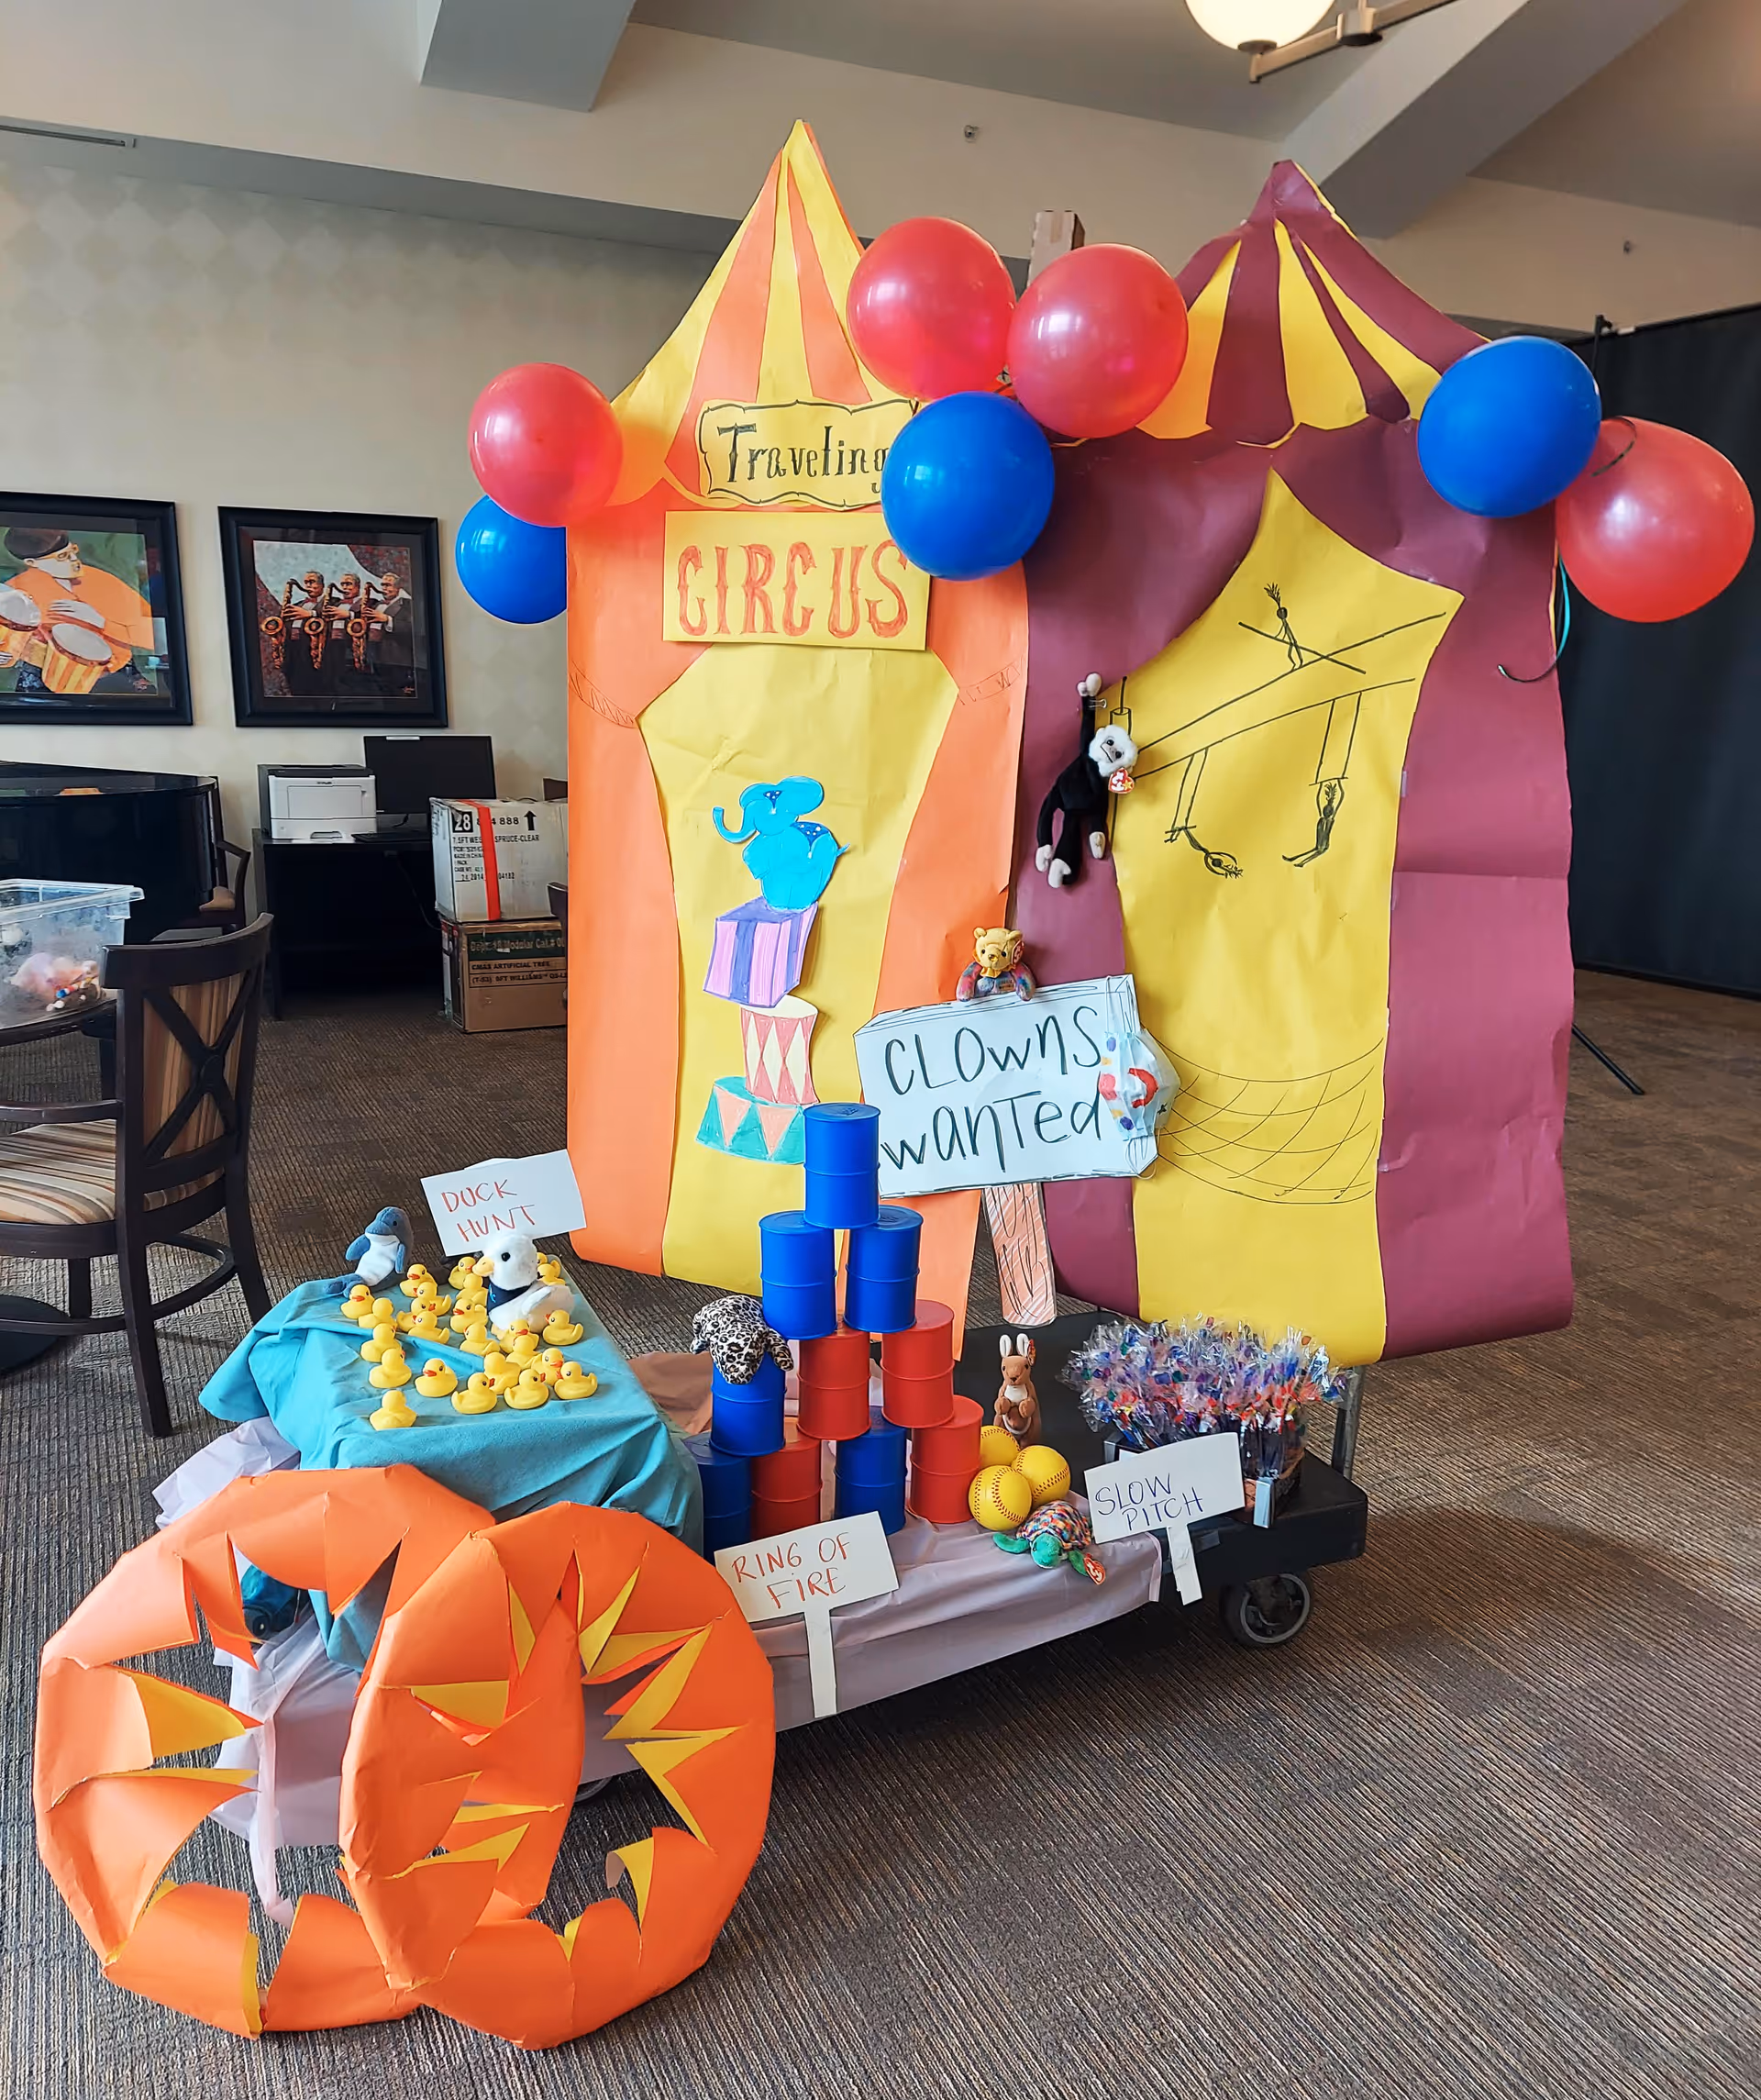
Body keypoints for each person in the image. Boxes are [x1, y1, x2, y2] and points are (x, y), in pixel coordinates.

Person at [3, 527, 157, 695]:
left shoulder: (104, 581)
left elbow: (153, 636)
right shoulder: (16, 591)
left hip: (117, 677)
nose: (74, 560)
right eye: (62, 557)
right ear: (32, 563)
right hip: (41, 681)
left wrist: (100, 621)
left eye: (73, 551)